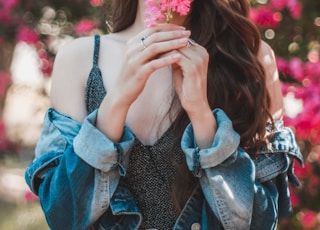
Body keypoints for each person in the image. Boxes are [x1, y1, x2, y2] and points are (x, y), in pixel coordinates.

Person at [25, 0, 303, 229]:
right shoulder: (81, 59)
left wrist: (202, 117)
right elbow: (64, 218)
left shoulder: (249, 60)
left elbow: (260, 221)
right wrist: (118, 100)